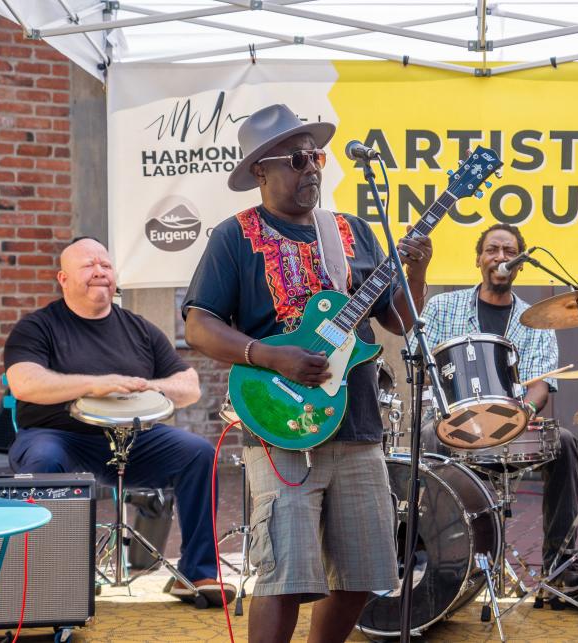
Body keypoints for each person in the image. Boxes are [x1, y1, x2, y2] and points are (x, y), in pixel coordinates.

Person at [182, 103, 432, 643]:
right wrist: (271, 356)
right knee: (285, 578)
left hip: (356, 419)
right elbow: (198, 326)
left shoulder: (353, 232)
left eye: (316, 156)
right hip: (280, 426)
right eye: (297, 159)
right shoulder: (235, 236)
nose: (312, 168)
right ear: (260, 171)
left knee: (364, 573)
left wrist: (417, 267)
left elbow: (399, 318)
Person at [4, 236, 235, 607]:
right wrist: (97, 385)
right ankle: (56, 579)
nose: (99, 271)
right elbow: (24, 382)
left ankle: (198, 571)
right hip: (60, 436)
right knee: (43, 460)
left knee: (198, 453)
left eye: (106, 266)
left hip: (134, 439)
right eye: (88, 265)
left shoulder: (139, 328)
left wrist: (138, 389)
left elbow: (189, 387)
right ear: (63, 279)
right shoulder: (38, 327)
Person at [419, 222, 578, 590]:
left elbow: (541, 385)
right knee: (429, 436)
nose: (501, 258)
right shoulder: (443, 306)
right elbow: (424, 366)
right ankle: (437, 558)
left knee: (566, 443)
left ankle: (560, 567)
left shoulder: (537, 320)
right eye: (493, 250)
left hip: (513, 424)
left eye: (509, 252)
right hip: (455, 423)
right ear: (479, 259)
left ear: (520, 263)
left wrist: (519, 417)